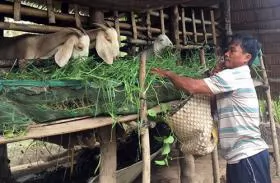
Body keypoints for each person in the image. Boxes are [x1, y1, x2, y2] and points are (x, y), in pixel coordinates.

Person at [151, 33, 271, 183]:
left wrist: (169, 74)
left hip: (247, 155)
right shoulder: (233, 77)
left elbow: (192, 87)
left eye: (232, 51)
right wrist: (215, 79)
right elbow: (213, 108)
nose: (226, 54)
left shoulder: (235, 76)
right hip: (238, 157)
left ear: (247, 57)